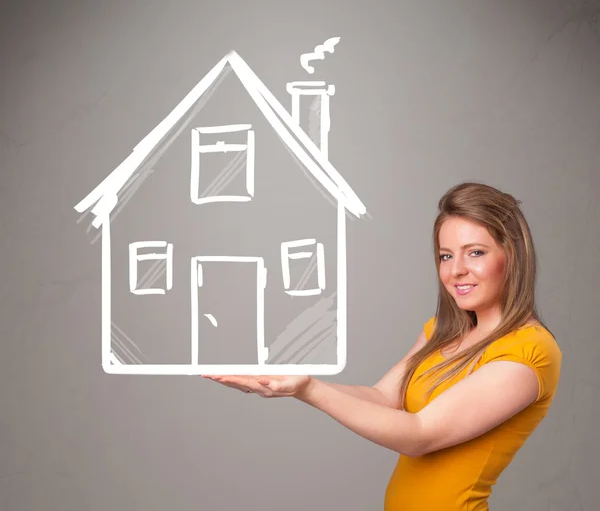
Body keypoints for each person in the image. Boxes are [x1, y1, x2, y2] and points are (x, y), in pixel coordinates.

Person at [202, 181, 562, 511]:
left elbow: (420, 435)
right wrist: (295, 383)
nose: (456, 271)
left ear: (512, 254)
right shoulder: (442, 332)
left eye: (476, 253)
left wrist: (309, 390)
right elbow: (382, 399)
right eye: (446, 255)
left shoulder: (530, 352)